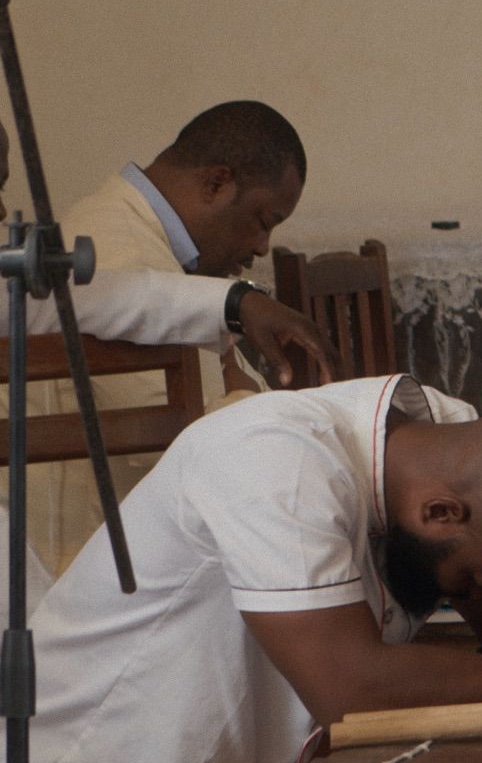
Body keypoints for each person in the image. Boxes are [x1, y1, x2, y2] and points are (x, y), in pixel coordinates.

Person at [20, 373, 482, 763]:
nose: (474, 595)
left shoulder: (451, 449)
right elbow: (352, 692)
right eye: (476, 580)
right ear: (441, 511)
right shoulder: (274, 458)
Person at [0, 121, 334, 612]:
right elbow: (183, 441)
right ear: (216, 184)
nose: (1, 210)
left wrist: (237, 301)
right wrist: (243, 399)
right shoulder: (119, 237)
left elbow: (103, 296)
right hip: (95, 566)